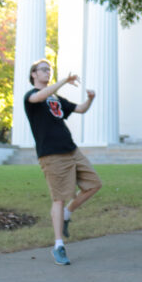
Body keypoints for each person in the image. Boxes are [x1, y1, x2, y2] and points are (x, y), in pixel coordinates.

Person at [24, 59, 102, 266]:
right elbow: (39, 96)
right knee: (58, 198)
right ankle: (58, 246)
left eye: (49, 70)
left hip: (71, 149)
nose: (47, 72)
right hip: (51, 155)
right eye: (43, 70)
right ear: (33, 74)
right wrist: (63, 81)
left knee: (94, 184)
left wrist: (90, 99)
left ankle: (67, 214)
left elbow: (81, 109)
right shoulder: (30, 97)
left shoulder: (56, 99)